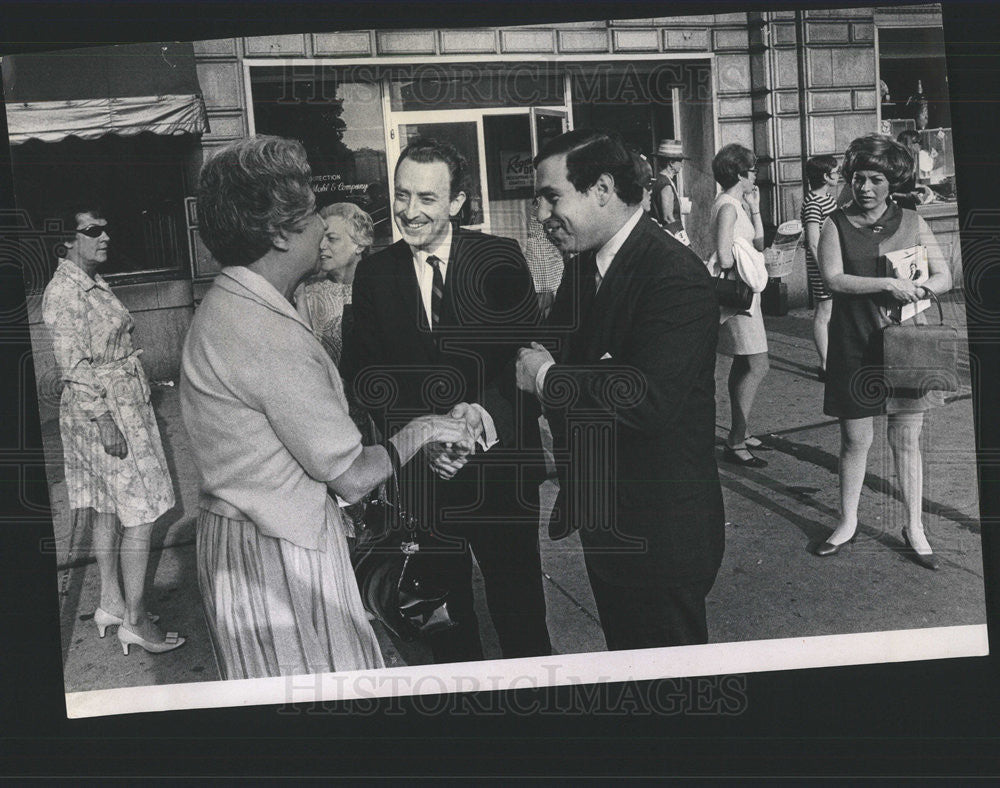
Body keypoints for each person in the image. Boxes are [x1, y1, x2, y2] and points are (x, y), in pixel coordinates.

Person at [180, 136, 473, 679]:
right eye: (313, 213)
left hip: (245, 543)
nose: (321, 227)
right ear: (279, 232)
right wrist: (422, 430)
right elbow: (352, 476)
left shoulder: (228, 304)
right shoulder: (266, 331)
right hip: (279, 555)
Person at [342, 137, 552, 663]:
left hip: (501, 473)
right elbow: (366, 376)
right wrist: (425, 435)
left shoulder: (499, 258)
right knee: (444, 622)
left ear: (457, 202)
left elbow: (521, 361)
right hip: (425, 483)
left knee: (521, 613)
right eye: (402, 195)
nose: (410, 212)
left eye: (427, 199)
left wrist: (478, 421)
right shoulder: (375, 273)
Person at [516, 128, 725, 650]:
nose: (541, 215)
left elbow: (648, 399)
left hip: (659, 539)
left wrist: (546, 378)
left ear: (603, 189)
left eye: (551, 197)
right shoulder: (587, 262)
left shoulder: (673, 274)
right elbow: (563, 351)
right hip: (608, 529)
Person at [42, 206, 183, 655]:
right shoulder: (64, 292)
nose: (106, 236)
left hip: (118, 403)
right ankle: (137, 622)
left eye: (106, 227)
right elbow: (74, 365)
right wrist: (103, 420)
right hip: (104, 411)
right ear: (65, 242)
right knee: (141, 513)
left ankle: (112, 602)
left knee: (107, 507)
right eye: (93, 231)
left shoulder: (90, 282)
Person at [814, 133, 952, 568]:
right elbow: (832, 279)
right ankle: (848, 521)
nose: (866, 187)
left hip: (906, 343)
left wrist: (919, 289)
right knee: (856, 439)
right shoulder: (834, 224)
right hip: (853, 341)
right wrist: (887, 284)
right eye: (858, 178)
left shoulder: (913, 220)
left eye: (875, 178)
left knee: (907, 439)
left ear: (892, 182)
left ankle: (914, 526)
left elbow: (944, 276)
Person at [709, 143, 771, 467]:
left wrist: (756, 208)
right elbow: (723, 254)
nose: (755, 177)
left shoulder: (738, 203)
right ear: (738, 173)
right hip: (738, 297)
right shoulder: (729, 206)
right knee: (757, 365)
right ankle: (736, 439)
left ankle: (741, 431)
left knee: (745, 365)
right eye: (751, 172)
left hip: (747, 297)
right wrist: (749, 261)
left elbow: (759, 242)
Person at [295, 202, 373, 367]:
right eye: (321, 239)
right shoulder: (306, 293)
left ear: (359, 245)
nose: (322, 246)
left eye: (331, 238)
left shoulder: (379, 291)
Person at [801, 155, 841, 380]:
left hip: (831, 263)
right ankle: (825, 364)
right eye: (836, 172)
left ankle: (830, 359)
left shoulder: (826, 198)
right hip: (823, 266)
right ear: (826, 176)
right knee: (824, 311)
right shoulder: (814, 203)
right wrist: (825, 270)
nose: (839, 176)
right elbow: (814, 241)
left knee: (831, 311)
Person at [523, 199, 564, 320]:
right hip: (541, 250)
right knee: (543, 290)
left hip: (547, 249)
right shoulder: (542, 206)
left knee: (551, 289)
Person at [651, 139, 688, 241]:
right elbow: (668, 218)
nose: (682, 164)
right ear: (671, 163)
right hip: (669, 238)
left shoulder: (663, 180)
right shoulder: (665, 184)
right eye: (680, 161)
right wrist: (684, 242)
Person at [893, 130, 935, 209]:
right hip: (900, 209)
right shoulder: (899, 164)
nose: (920, 144)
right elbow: (887, 192)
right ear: (909, 144)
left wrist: (920, 189)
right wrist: (906, 196)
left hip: (909, 207)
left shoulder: (911, 162)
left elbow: (905, 188)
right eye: (918, 141)